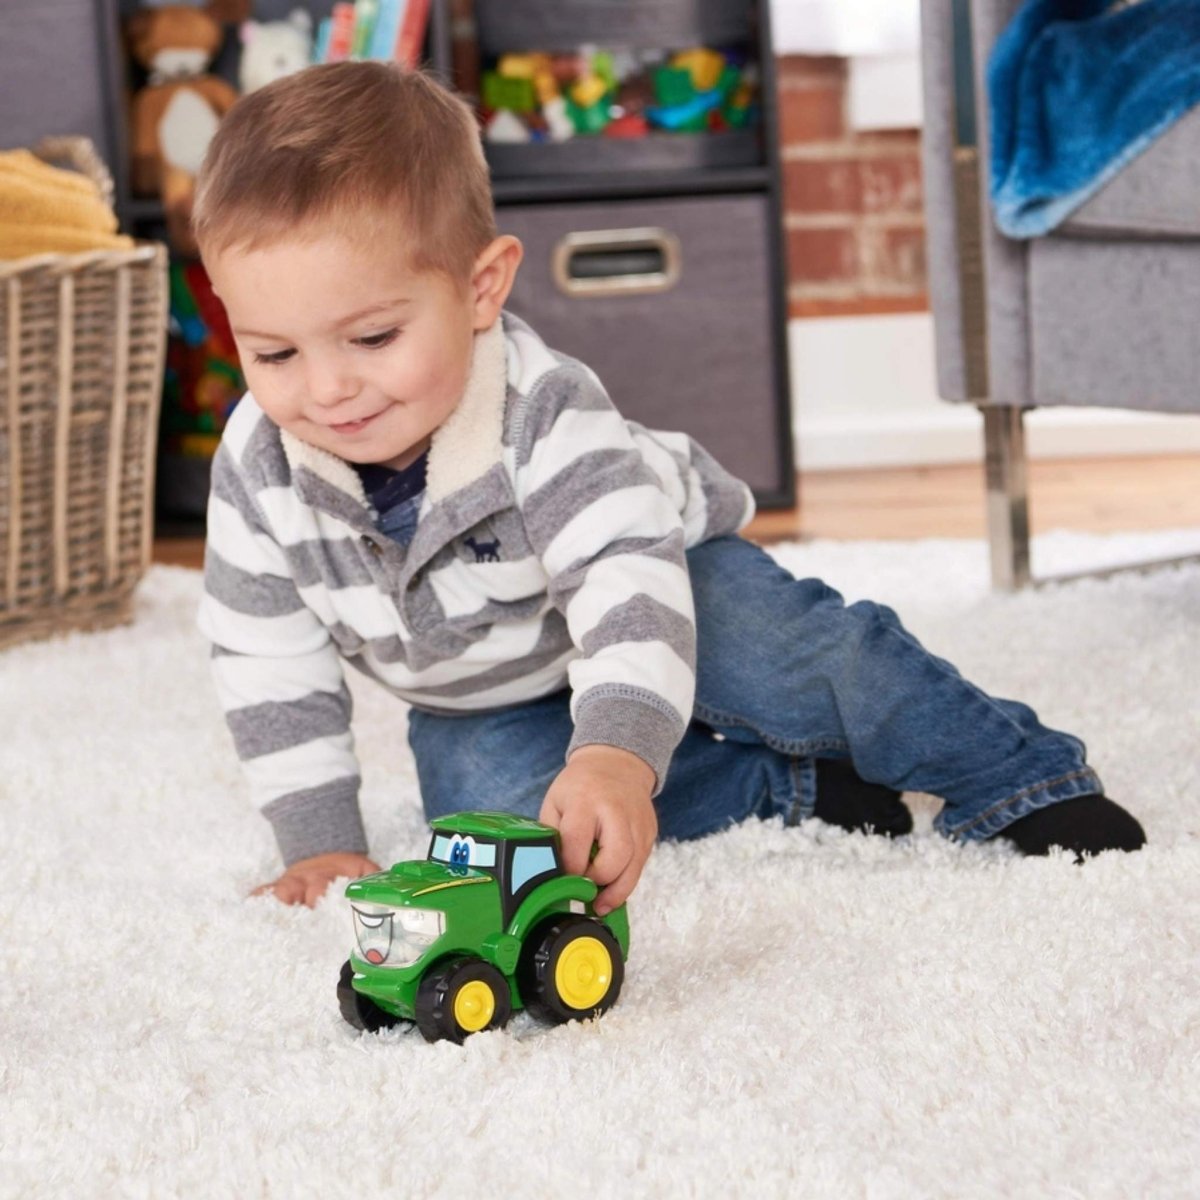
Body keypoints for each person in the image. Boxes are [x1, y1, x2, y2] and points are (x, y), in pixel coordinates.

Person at [193, 62, 1145, 911]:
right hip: (484, 688)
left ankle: (1021, 777)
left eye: (372, 339)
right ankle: (787, 789)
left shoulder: (542, 412)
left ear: (481, 289)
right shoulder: (257, 467)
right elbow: (265, 660)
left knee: (808, 660)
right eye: (273, 351)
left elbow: (624, 585)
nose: (326, 388)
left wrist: (614, 746)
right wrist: (319, 839)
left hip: (664, 580)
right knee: (488, 818)